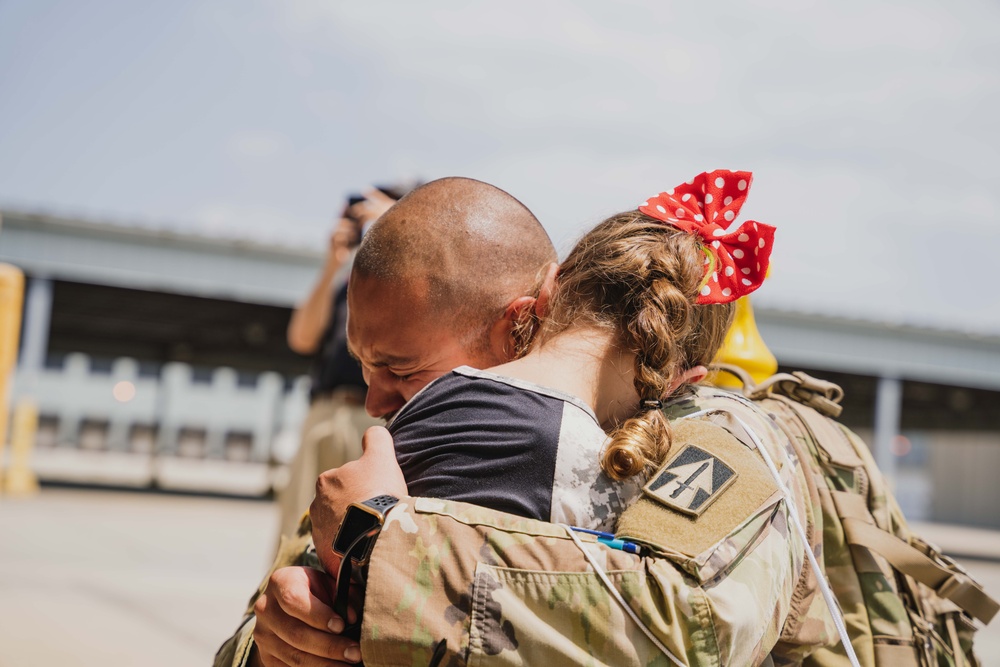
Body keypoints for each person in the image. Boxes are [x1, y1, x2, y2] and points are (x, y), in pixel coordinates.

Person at [216, 173, 836, 667]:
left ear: (529, 315)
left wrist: (387, 546)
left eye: (402, 369)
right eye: (363, 368)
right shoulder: (400, 455)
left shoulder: (713, 447)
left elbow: (690, 631)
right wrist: (276, 636)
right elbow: (255, 633)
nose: (375, 404)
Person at [277, 185, 407, 542]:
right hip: (324, 412)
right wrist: (331, 264)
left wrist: (397, 233)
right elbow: (301, 338)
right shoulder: (345, 287)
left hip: (375, 419)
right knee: (295, 527)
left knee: (352, 532)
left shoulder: (410, 287)